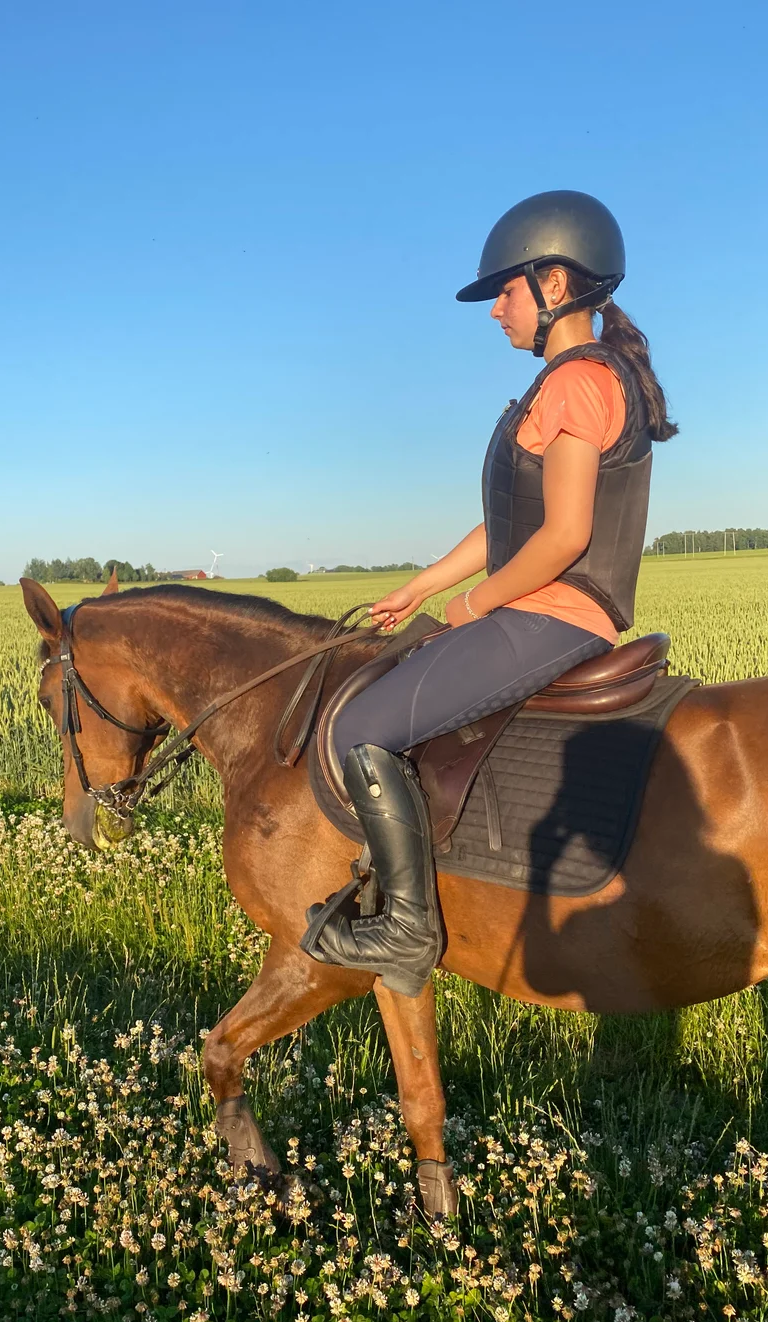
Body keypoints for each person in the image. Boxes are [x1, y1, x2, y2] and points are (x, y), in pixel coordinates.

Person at [301, 189, 678, 998]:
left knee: (359, 727)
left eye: (504, 291)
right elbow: (504, 528)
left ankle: (405, 928)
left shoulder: (577, 384)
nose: (495, 309)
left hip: (556, 614)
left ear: (555, 283)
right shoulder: (568, 382)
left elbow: (563, 536)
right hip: (542, 604)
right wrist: (424, 589)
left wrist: (475, 607)